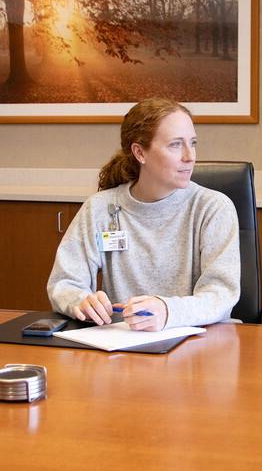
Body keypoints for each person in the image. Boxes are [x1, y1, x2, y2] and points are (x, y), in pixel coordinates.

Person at [47, 98, 240, 332]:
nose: (190, 156)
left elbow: (221, 295)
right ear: (139, 152)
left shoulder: (213, 208)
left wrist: (166, 311)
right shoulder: (100, 208)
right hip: (122, 344)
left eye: (193, 143)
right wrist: (81, 301)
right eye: (176, 145)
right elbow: (64, 283)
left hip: (199, 344)